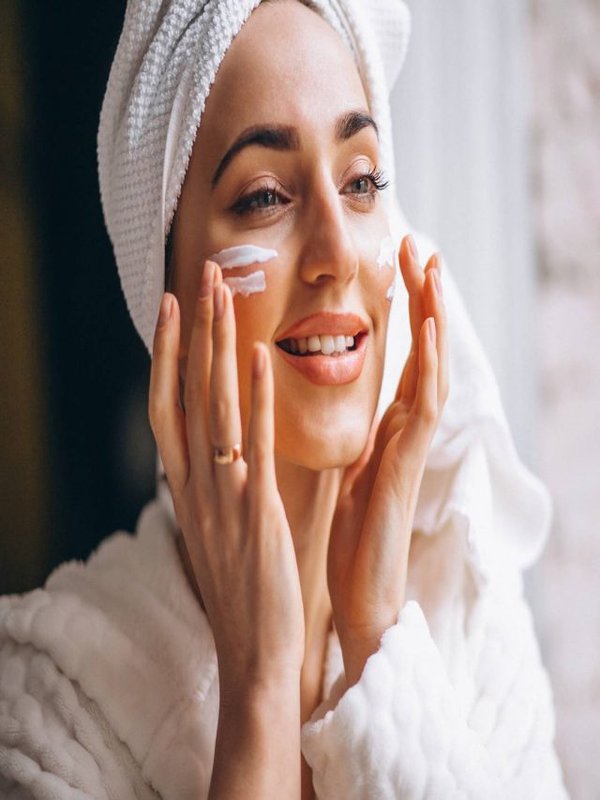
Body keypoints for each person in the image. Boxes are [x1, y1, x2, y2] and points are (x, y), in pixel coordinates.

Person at [0, 1, 569, 798]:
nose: (337, 252)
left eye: (363, 180)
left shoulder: (472, 625)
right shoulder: (47, 706)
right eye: (265, 195)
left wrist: (378, 651)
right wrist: (260, 685)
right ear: (163, 294)